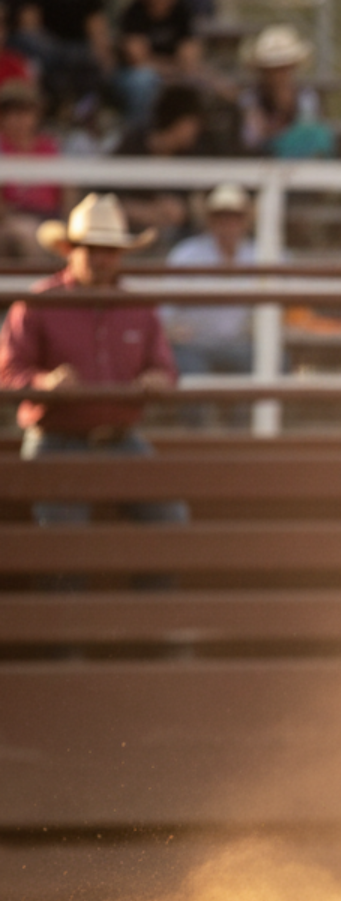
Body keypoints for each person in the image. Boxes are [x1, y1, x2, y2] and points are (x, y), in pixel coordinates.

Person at [0, 193, 188, 570]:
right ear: (71, 250)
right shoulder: (37, 302)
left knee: (173, 524)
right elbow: (7, 372)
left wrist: (156, 379)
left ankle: (151, 618)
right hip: (58, 438)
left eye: (110, 250)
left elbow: (166, 370)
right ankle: (71, 621)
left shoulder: (138, 307)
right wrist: (44, 383)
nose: (102, 259)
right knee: (63, 548)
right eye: (92, 249)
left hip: (120, 437)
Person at [161, 181, 256, 428]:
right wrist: (172, 331)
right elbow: (165, 309)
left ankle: (243, 441)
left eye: (234, 216)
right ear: (210, 220)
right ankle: (199, 442)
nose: (228, 223)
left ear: (245, 220)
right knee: (192, 378)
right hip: (193, 345)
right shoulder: (187, 255)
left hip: (241, 345)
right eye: (221, 216)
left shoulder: (259, 254)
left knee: (267, 364)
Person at [111, 82, 207, 247]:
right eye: (194, 123)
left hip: (176, 243)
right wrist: (143, 211)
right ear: (181, 122)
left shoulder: (191, 154)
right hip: (126, 240)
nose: (197, 130)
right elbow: (105, 194)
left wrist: (183, 211)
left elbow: (192, 206)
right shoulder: (132, 145)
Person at [238, 24, 334, 159]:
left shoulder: (306, 96)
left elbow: (310, 133)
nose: (279, 75)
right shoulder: (251, 98)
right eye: (273, 69)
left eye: (284, 68)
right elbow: (251, 139)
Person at [5, 0, 112, 119]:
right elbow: (28, 19)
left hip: (70, 51)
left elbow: (95, 21)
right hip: (38, 45)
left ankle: (81, 111)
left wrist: (104, 53)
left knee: (88, 70)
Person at [0, 78, 61, 258]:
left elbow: (66, 189)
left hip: (50, 218)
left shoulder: (49, 147)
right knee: (26, 234)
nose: (19, 119)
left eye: (25, 112)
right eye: (12, 113)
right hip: (12, 218)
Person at [114, 0, 201, 126]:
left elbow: (190, 56)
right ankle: (138, 131)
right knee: (144, 80)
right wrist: (172, 67)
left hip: (174, 72)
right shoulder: (134, 13)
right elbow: (139, 60)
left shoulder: (181, 12)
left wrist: (176, 67)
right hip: (132, 74)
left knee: (201, 81)